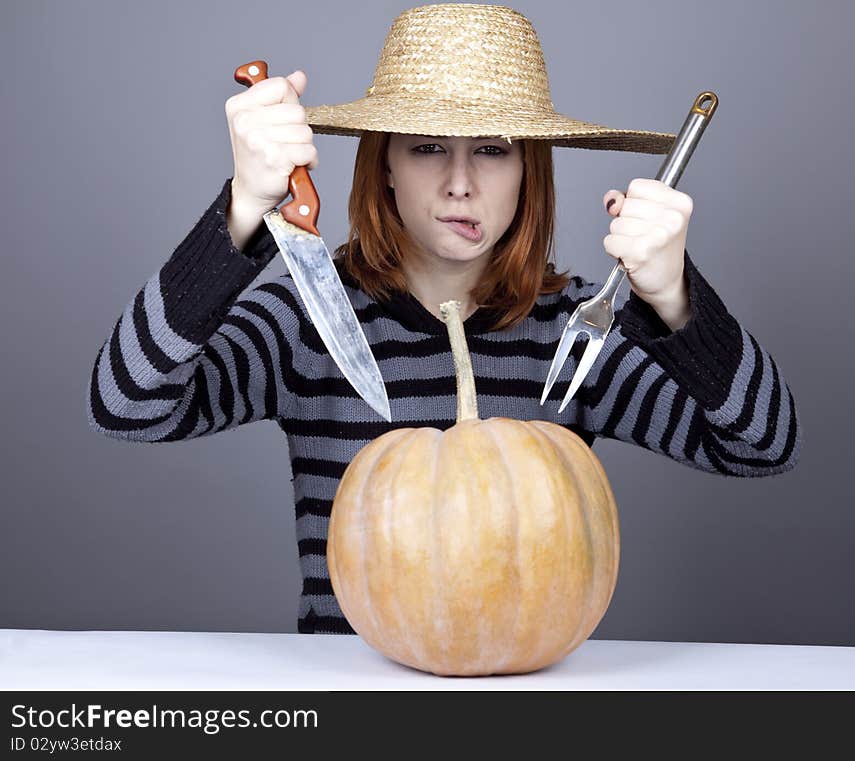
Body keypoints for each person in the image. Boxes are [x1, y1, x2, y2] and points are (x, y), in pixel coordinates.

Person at [87, 3, 801, 634]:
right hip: (344, 706)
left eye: (492, 149)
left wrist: (674, 297)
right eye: (428, 146)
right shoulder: (305, 323)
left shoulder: (575, 332)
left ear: (531, 172)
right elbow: (126, 404)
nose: (461, 182)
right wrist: (241, 210)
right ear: (386, 164)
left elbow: (762, 445)